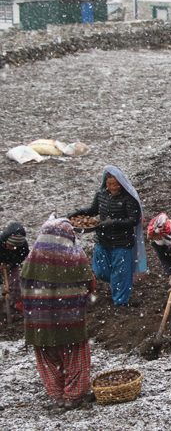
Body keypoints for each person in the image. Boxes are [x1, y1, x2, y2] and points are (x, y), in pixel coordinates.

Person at [20, 217, 95, 410]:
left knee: (47, 357)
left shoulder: (31, 260)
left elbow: (22, 290)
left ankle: (57, 394)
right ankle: (73, 394)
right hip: (69, 320)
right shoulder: (75, 257)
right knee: (74, 355)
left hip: (39, 322)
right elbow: (90, 283)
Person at [68, 166, 146, 306]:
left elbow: (134, 220)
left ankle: (121, 302)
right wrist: (77, 213)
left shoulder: (128, 199)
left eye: (115, 184)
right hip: (103, 240)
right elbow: (93, 210)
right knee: (100, 271)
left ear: (121, 184)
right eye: (110, 184)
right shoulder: (101, 194)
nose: (113, 187)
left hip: (122, 242)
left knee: (121, 273)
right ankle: (118, 282)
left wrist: (114, 223)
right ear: (105, 183)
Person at [0, 221, 29, 316]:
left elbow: (22, 256)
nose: (13, 248)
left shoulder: (22, 246)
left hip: (12, 264)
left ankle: (13, 304)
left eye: (15, 247)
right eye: (11, 246)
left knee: (15, 282)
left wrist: (11, 264)